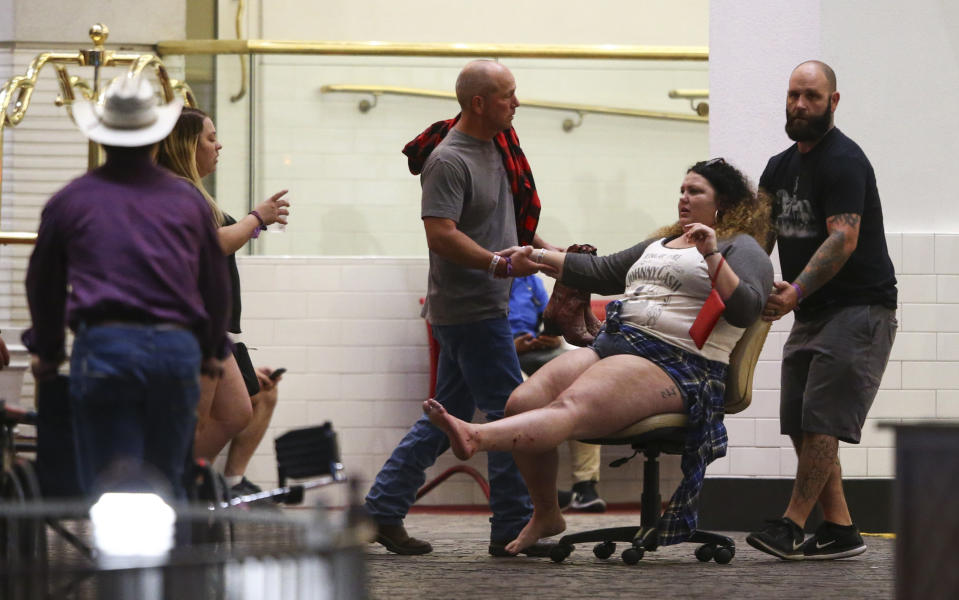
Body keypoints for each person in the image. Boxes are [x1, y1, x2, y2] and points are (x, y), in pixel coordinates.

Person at [423, 158, 773, 555]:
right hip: (619, 343)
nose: (684, 198)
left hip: (679, 362)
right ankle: (547, 513)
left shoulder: (742, 248)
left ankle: (476, 436)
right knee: (521, 401)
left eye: (695, 192)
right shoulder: (661, 243)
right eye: (681, 190)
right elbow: (600, 270)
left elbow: (747, 309)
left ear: (723, 202)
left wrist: (712, 254)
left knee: (570, 405)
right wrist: (532, 256)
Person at [364, 59, 562, 557]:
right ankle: (514, 526)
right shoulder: (449, 160)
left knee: (447, 415)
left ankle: (383, 510)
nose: (517, 103)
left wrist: (550, 256)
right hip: (470, 308)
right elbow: (441, 235)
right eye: (508, 95)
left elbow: (512, 218)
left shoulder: (499, 145)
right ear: (479, 103)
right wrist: (498, 266)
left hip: (480, 305)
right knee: (509, 415)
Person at [22, 75, 232, 498]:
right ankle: (172, 555)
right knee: (169, 476)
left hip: (105, 349)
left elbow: (43, 284)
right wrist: (211, 350)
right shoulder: (186, 201)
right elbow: (213, 284)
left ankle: (115, 553)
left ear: (101, 139)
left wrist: (47, 352)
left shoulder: (70, 201)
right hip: (175, 354)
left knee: (108, 477)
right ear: (155, 140)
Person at [745, 61, 897, 561]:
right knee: (802, 420)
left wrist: (795, 292)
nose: (800, 106)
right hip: (812, 312)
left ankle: (790, 525)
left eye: (811, 96)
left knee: (823, 422)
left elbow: (843, 237)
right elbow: (758, 239)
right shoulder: (778, 167)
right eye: (793, 95)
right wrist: (743, 286)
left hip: (859, 309)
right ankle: (840, 529)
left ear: (833, 102)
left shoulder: (844, 161)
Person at [157, 107, 289, 496]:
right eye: (210, 138)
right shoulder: (175, 190)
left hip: (207, 324)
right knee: (196, 420)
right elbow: (210, 245)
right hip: (186, 324)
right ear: (186, 145)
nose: (219, 145)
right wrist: (256, 218)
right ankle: (174, 486)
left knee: (235, 410)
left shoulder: (188, 191)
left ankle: (184, 479)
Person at [509, 274, 606, 512]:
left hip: (534, 352)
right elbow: (476, 335)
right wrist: (512, 346)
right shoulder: (484, 277)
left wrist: (552, 339)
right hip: (500, 353)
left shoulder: (529, 279)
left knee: (584, 387)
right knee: (526, 400)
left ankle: (585, 487)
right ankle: (536, 491)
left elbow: (551, 321)